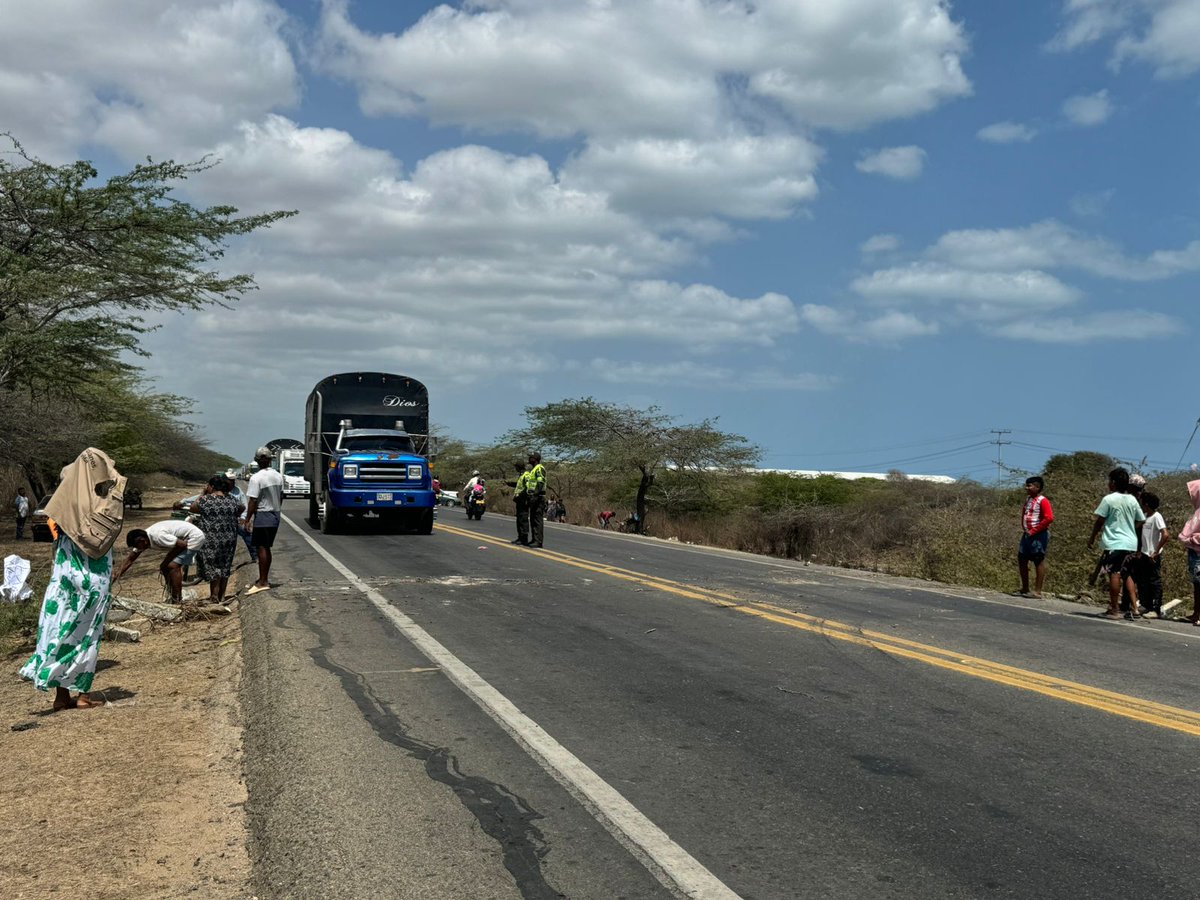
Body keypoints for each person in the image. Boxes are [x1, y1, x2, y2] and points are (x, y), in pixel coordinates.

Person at [20, 448, 127, 712]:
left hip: (65, 577)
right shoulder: (104, 499)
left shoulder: (62, 502)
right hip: (95, 577)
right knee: (88, 634)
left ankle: (60, 695)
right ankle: (83, 695)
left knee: (60, 628)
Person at [1087, 467, 1146, 619]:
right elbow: (1141, 519)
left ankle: (1114, 609)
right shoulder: (1132, 499)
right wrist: (1131, 529)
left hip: (1114, 542)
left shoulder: (1109, 499)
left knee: (1114, 573)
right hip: (1130, 543)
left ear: (1113, 483)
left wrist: (1092, 537)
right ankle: (1134, 607)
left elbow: (1100, 521)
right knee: (1126, 575)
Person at [116, 519, 206, 604]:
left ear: (143, 541)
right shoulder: (144, 539)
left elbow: (182, 545)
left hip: (193, 537)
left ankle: (178, 599)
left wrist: (166, 560)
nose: (137, 549)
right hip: (183, 541)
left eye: (137, 546)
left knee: (173, 566)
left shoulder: (158, 536)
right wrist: (115, 576)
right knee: (165, 567)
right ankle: (173, 594)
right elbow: (130, 559)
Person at [190, 475, 244, 604]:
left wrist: (203, 493)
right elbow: (242, 508)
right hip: (229, 537)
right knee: (225, 566)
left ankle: (214, 597)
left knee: (213, 567)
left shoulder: (206, 500)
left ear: (211, 486)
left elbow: (193, 507)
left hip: (211, 539)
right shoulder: (231, 499)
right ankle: (222, 596)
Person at [245, 447, 285, 595]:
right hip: (275, 513)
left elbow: (253, 501)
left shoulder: (256, 478)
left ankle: (263, 581)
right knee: (266, 547)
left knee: (261, 547)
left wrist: (247, 519)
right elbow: (281, 496)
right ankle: (263, 579)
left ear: (256, 460)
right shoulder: (278, 476)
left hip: (263, 514)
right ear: (270, 460)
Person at [1130, 492, 1169, 618]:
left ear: (1146, 504)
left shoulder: (1157, 516)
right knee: (1143, 580)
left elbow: (1165, 534)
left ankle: (1155, 608)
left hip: (1153, 555)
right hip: (1144, 554)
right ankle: (1145, 605)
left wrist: (1156, 551)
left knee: (1154, 582)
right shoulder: (1145, 516)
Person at [1016, 476, 1053, 598]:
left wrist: (1035, 530)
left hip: (1038, 535)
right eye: (1026, 485)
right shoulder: (1028, 499)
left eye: (1029, 485)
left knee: (1038, 560)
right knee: (1022, 558)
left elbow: (1049, 518)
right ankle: (1025, 588)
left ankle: (1037, 591)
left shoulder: (1043, 500)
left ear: (1037, 487)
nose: (1027, 488)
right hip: (1027, 534)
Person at [1180, 478, 1200, 626]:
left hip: (1197, 552)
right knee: (1197, 585)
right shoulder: (1197, 512)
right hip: (1195, 552)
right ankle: (1196, 613)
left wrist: (1191, 539)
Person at [507, 462, 531, 545]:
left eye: (516, 467)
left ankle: (524, 538)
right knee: (519, 519)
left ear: (518, 467)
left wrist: (520, 495)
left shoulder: (526, 474)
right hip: (519, 500)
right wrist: (509, 484)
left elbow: (528, 487)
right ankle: (520, 537)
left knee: (523, 519)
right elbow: (519, 485)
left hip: (523, 500)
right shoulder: (521, 475)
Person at [527, 452, 546, 548]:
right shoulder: (533, 469)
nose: (529, 459)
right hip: (533, 497)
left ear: (535, 459)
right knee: (533, 519)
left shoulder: (539, 468)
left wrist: (535, 495)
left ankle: (538, 541)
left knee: (537, 520)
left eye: (531, 457)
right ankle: (534, 539)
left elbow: (540, 482)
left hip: (538, 498)